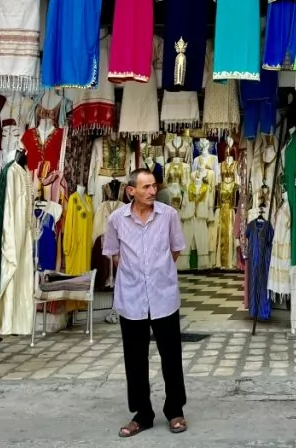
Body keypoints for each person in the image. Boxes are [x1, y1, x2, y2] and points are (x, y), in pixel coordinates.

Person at [103, 168, 188, 438]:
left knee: (171, 356)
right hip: (131, 297)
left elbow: (175, 249)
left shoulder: (169, 216)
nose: (152, 191)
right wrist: (135, 274)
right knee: (135, 359)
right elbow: (114, 255)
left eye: (154, 186)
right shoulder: (116, 219)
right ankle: (142, 414)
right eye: (146, 187)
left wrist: (157, 273)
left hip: (163, 296)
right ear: (132, 191)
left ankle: (175, 410)